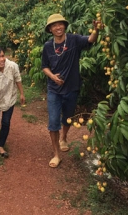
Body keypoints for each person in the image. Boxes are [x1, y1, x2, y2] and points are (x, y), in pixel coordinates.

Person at [41, 13, 103, 168]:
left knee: (67, 117)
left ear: (64, 25)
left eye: (60, 24)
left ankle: (64, 137)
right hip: (54, 89)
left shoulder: (74, 40)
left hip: (72, 88)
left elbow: (90, 40)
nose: (58, 27)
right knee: (53, 122)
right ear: (50, 29)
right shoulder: (48, 46)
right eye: (54, 25)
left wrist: (96, 30)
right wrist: (53, 77)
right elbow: (44, 67)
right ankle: (56, 154)